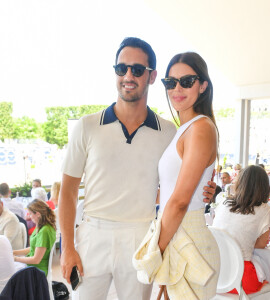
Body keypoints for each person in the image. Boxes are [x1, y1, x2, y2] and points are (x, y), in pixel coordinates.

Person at [59, 37, 216, 300]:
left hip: (142, 236)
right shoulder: (86, 126)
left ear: (152, 76)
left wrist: (207, 190)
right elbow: (67, 192)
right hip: (93, 235)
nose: (128, 75)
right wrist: (67, 247)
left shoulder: (170, 132)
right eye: (122, 69)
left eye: (137, 69)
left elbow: (179, 182)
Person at [155, 51, 220, 298]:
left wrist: (156, 252)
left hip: (188, 239)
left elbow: (180, 202)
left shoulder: (200, 128)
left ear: (203, 85)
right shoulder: (183, 130)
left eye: (187, 81)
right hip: (174, 234)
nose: (177, 88)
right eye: (170, 82)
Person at [213, 165, 270, 294]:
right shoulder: (264, 209)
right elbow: (261, 245)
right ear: (264, 187)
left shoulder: (224, 203)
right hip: (240, 279)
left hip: (214, 274)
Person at [13, 199, 56, 277]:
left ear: (38, 214)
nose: (29, 216)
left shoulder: (44, 231)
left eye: (30, 213)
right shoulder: (41, 226)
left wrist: (15, 259)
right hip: (33, 267)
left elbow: (36, 260)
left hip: (37, 271)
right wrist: (14, 252)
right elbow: (34, 248)